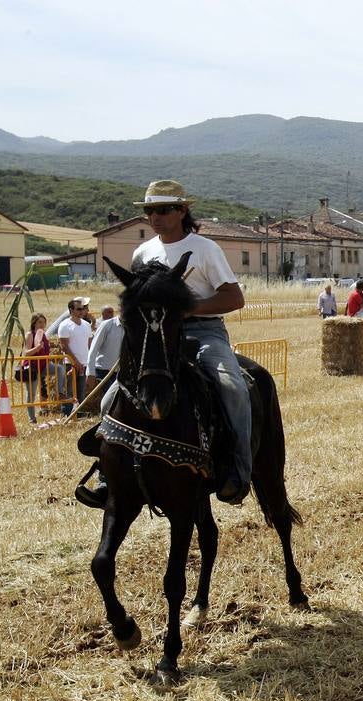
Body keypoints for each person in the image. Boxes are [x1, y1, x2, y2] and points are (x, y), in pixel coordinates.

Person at [88, 179, 251, 506]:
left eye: (163, 210)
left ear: (182, 211)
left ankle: (238, 468)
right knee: (109, 400)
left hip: (204, 332)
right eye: (150, 211)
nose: (155, 217)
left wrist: (187, 309)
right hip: (155, 340)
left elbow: (234, 298)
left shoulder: (206, 249)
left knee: (232, 386)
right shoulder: (142, 253)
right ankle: (107, 472)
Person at [56, 297, 92, 415]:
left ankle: (78, 413)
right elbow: (64, 346)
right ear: (71, 310)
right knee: (69, 390)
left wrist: (88, 362)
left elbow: (89, 344)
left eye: (83, 309)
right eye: (79, 309)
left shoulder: (87, 325)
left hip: (84, 363)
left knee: (81, 391)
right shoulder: (65, 325)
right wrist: (75, 362)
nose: (82, 311)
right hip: (70, 363)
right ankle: (67, 413)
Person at [18, 313, 50, 423]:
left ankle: (60, 392)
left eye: (44, 322)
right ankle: (32, 418)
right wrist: (37, 348)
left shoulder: (44, 335)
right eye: (40, 322)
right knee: (31, 393)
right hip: (32, 368)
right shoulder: (29, 335)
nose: (42, 324)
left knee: (59, 369)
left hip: (43, 366)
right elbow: (26, 353)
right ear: (34, 323)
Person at [85, 307, 124, 395]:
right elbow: (93, 349)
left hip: (121, 373)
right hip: (103, 372)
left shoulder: (133, 327)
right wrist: (90, 373)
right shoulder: (107, 325)